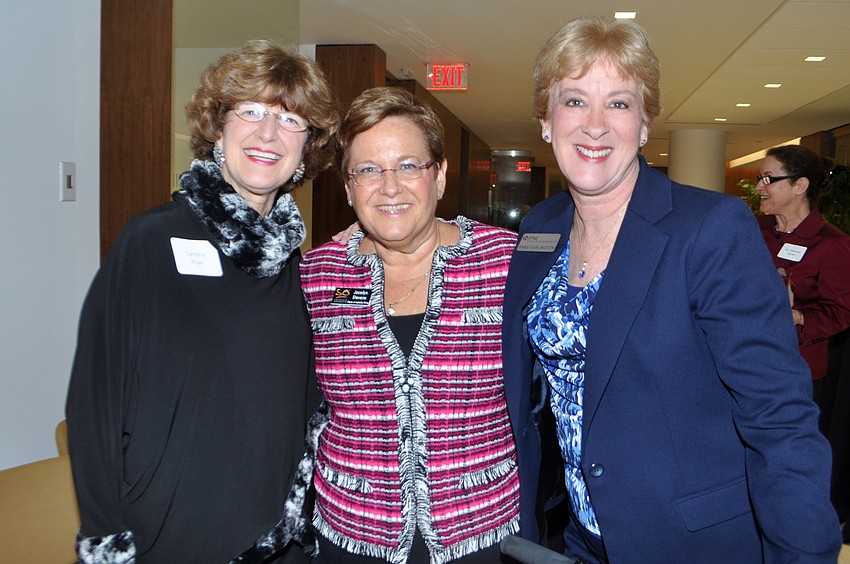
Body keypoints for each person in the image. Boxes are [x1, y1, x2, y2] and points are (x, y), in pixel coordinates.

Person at [501, 16, 842, 563]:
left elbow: (779, 419)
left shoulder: (709, 227)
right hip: (579, 537)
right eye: (573, 101)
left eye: (618, 103)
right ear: (545, 120)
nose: (595, 124)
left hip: (687, 542)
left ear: (643, 123)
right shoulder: (542, 223)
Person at [65, 40, 337, 563]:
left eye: (290, 120)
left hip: (274, 542)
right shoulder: (151, 241)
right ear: (217, 126)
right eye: (251, 111)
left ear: (307, 147)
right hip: (165, 537)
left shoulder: (297, 266)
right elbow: (94, 403)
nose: (267, 133)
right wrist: (107, 536)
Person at [299, 86, 520, 563]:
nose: (390, 186)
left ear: (438, 176)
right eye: (368, 170)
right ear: (347, 187)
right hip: (350, 534)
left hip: (483, 532)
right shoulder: (317, 275)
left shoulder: (506, 263)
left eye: (408, 165)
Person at [755, 145, 850, 413]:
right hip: (745, 362)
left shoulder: (832, 244)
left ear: (800, 185)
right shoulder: (753, 229)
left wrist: (796, 317)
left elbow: (840, 313)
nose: (760, 186)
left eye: (769, 179)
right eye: (759, 178)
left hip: (794, 372)